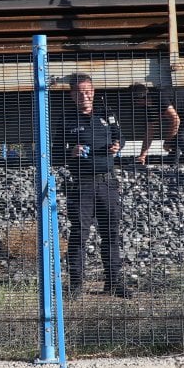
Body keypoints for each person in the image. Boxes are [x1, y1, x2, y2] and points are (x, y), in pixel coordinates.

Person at [53, 74, 129, 298]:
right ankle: (76, 285)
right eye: (79, 92)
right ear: (72, 95)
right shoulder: (66, 119)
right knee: (79, 234)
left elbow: (120, 137)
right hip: (81, 185)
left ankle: (114, 283)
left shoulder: (107, 113)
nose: (84, 96)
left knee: (111, 234)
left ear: (93, 91)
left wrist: (118, 145)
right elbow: (55, 153)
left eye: (88, 91)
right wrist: (70, 152)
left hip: (107, 182)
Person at [132, 83, 184, 185]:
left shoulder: (159, 97)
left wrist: (168, 141)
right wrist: (142, 156)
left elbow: (175, 120)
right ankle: (173, 165)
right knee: (177, 133)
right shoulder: (150, 107)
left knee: (183, 135)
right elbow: (150, 131)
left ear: (138, 99)